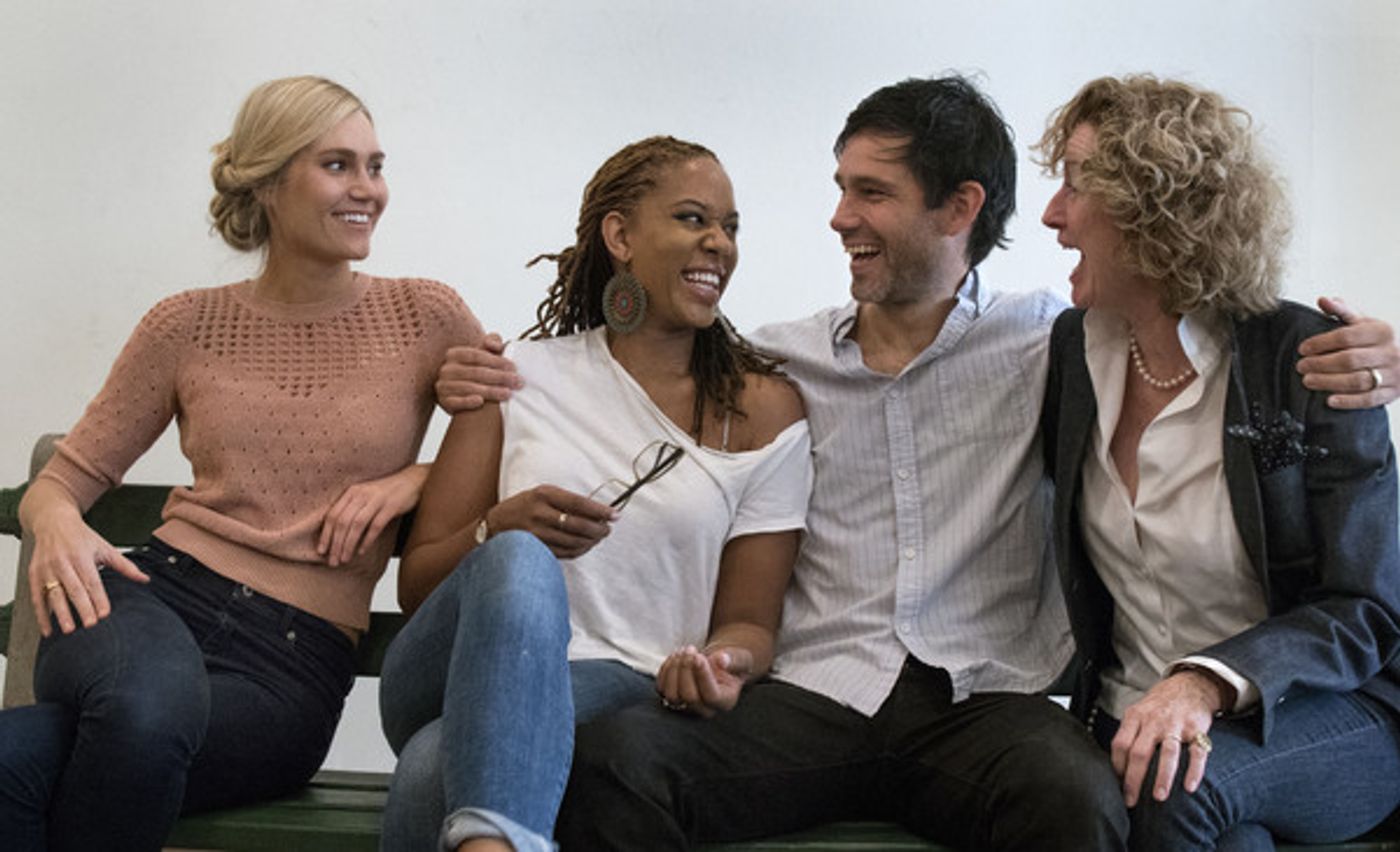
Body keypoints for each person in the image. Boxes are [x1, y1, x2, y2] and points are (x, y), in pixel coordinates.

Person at [440, 76, 1400, 852]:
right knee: (614, 763)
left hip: (983, 706)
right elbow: (621, 386)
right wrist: (432, 444)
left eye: (870, 192)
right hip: (817, 697)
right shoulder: (777, 363)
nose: (836, 218)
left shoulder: (1053, 345)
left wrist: (1381, 358)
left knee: (1081, 802)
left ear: (959, 207)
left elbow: (1221, 341)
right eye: (839, 187)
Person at [0, 76, 483, 851]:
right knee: (141, 710)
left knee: (19, 763)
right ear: (267, 181)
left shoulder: (424, 315)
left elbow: (516, 457)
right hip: (147, 601)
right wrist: (53, 520)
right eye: (338, 165)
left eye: (375, 165)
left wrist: (416, 479)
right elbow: (61, 482)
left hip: (288, 670)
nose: (368, 190)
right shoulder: (185, 323)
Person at [377, 135, 812, 852]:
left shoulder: (765, 412)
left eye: (730, 227)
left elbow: (749, 623)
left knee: (432, 765)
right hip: (441, 670)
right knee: (517, 557)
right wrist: (496, 530)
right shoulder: (514, 376)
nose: (718, 244)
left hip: (632, 682)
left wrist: (722, 665)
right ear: (620, 235)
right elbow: (421, 587)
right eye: (693, 219)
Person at [1037, 74, 1400, 851]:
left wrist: (1202, 682)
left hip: (1324, 712)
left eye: (1075, 184)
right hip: (1131, 718)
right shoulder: (1074, 350)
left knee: (1178, 789)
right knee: (1198, 811)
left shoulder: (1308, 359)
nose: (1052, 215)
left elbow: (1366, 609)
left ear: (1151, 208)